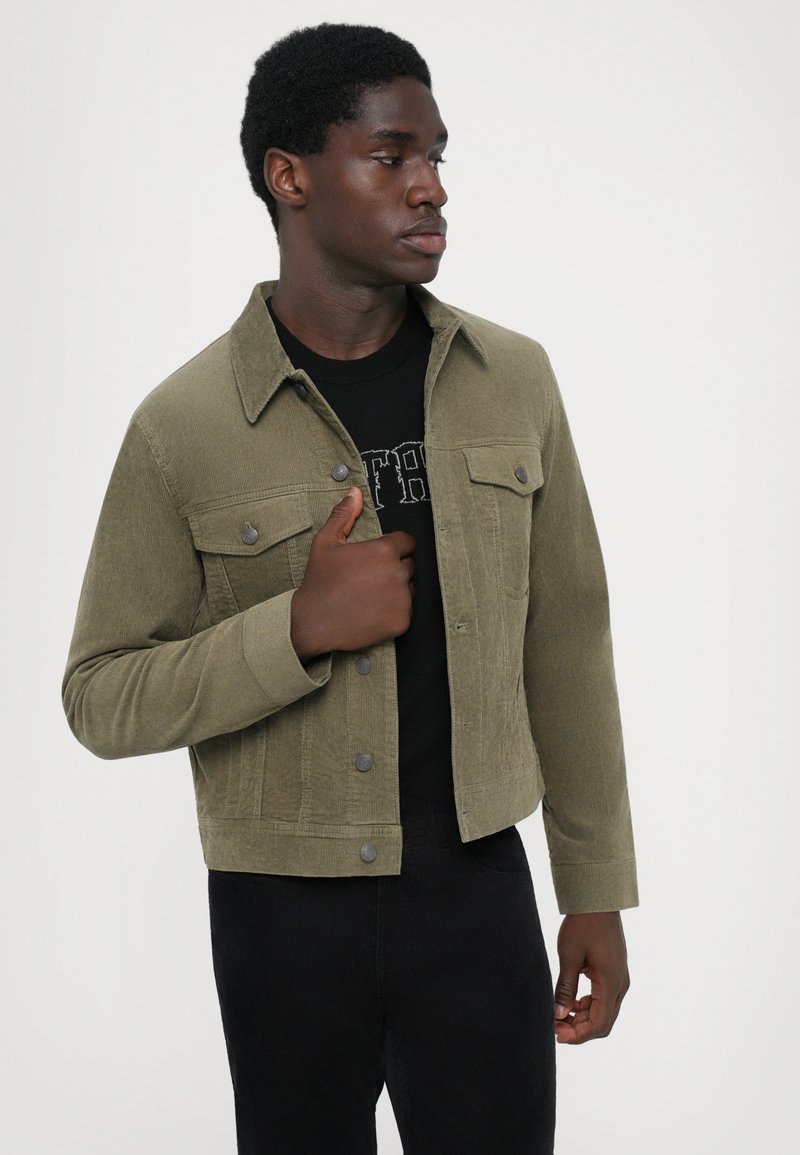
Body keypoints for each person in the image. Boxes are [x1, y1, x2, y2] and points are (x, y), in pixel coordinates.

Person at [62, 21, 638, 1155]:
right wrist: (295, 629)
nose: (430, 187)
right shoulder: (182, 427)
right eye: (389, 156)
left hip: (476, 895)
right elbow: (99, 696)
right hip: (280, 914)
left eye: (435, 155)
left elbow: (568, 641)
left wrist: (595, 886)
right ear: (290, 176)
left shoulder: (513, 380)